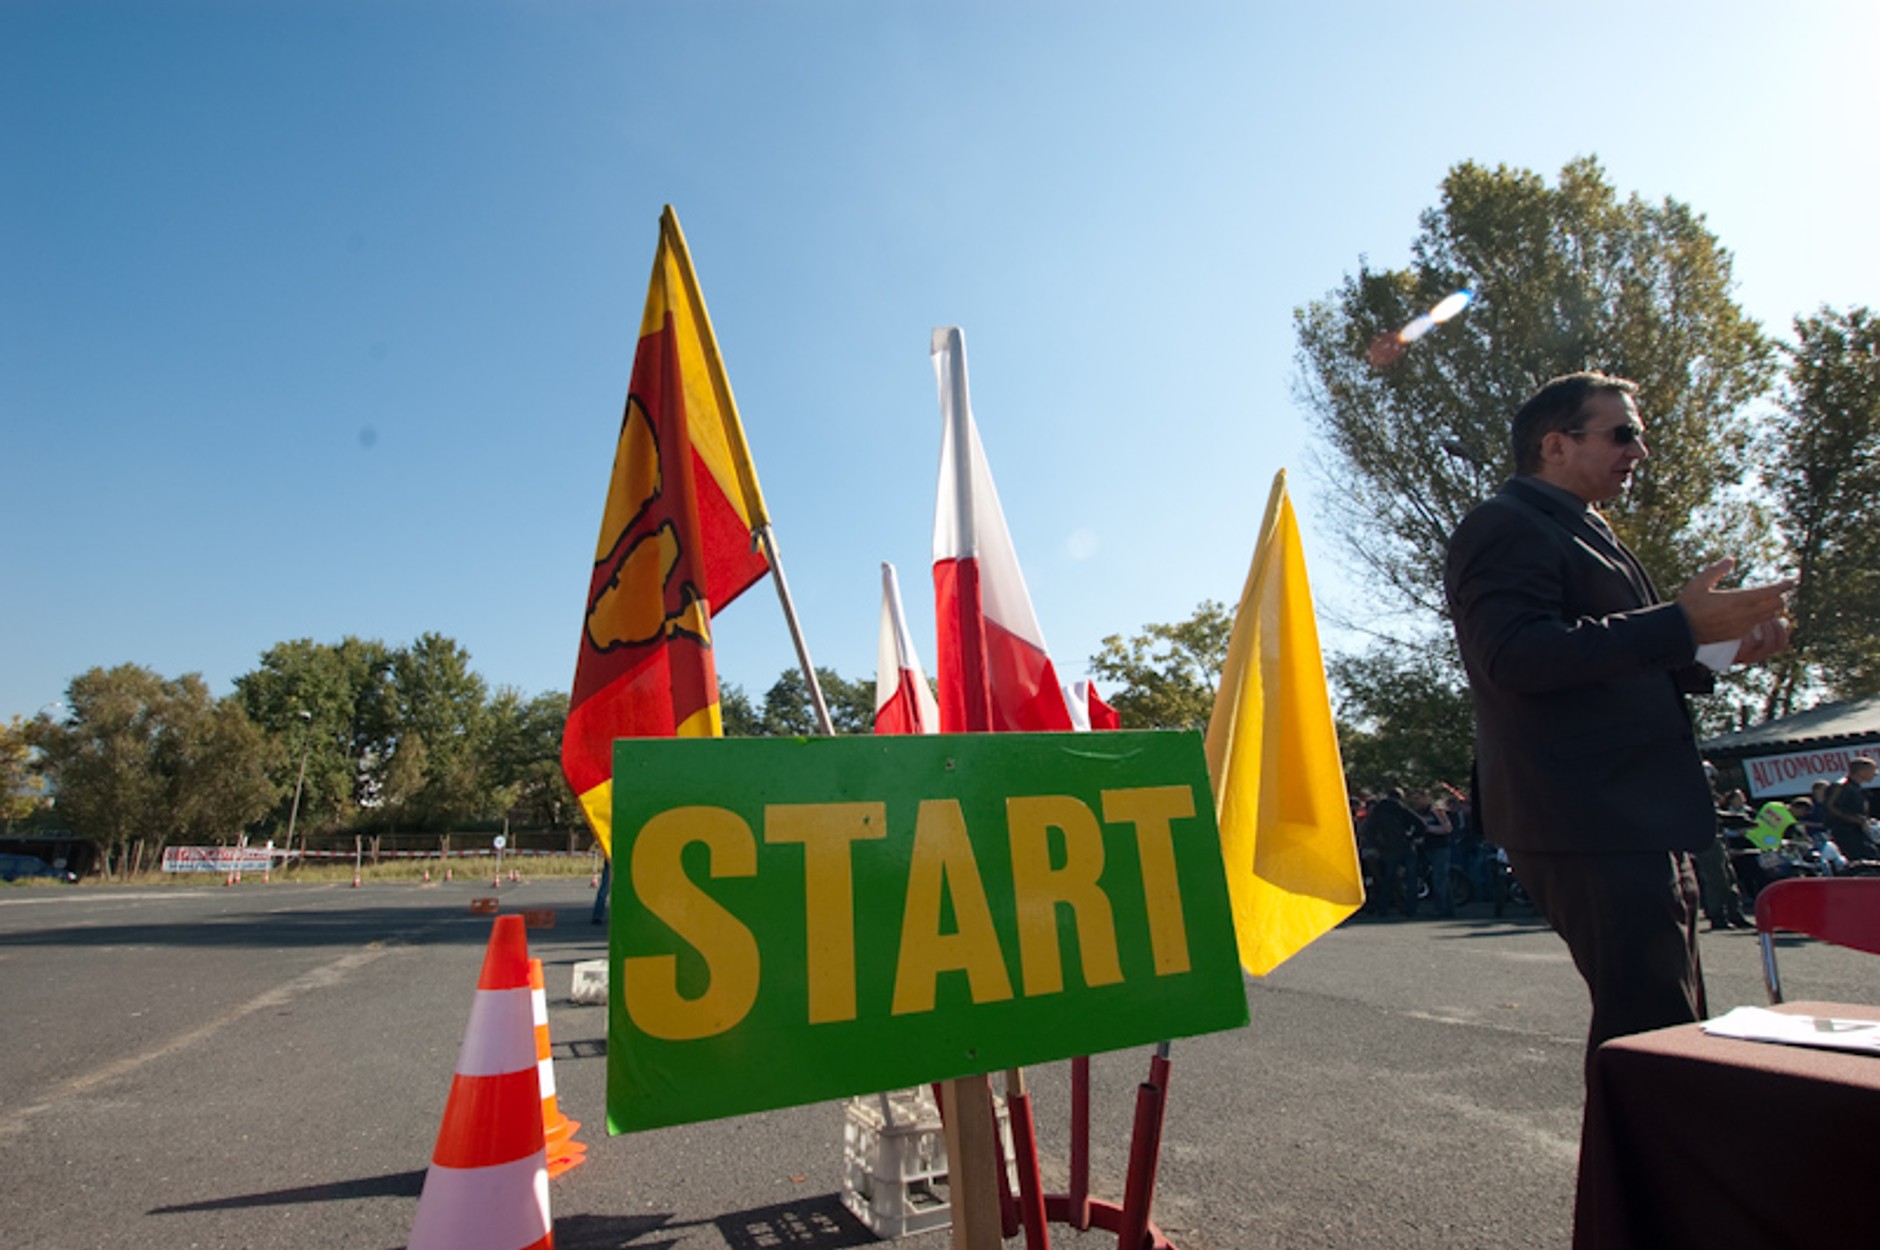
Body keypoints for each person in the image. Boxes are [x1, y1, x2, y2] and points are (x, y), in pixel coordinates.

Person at [1444, 371, 1794, 1075]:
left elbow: (1610, 660)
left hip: (1632, 816)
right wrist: (1678, 624)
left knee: (1672, 1024)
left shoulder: (1581, 528)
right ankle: (1643, 1180)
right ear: (1555, 444)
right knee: (1651, 1031)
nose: (1640, 450)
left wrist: (1716, 648)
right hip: (1587, 815)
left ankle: (1657, 1173)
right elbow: (1515, 656)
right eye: (1622, 432)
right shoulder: (1503, 525)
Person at [1823, 757, 1878, 863]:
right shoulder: (1840, 786)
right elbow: (1831, 807)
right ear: (1862, 771)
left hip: (1858, 832)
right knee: (1863, 860)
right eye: (1873, 770)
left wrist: (1867, 820)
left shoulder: (1856, 787)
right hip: (1846, 833)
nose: (1875, 774)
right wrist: (1855, 820)